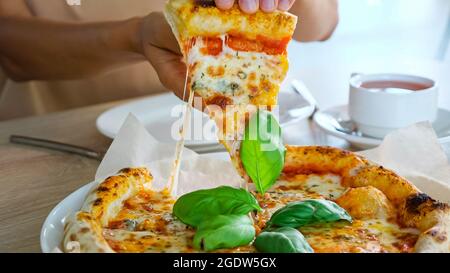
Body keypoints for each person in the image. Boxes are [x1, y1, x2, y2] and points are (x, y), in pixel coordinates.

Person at [0, 0, 338, 120]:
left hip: (209, 130)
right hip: (54, 135)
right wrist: (135, 37)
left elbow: (324, 22)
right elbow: (12, 49)